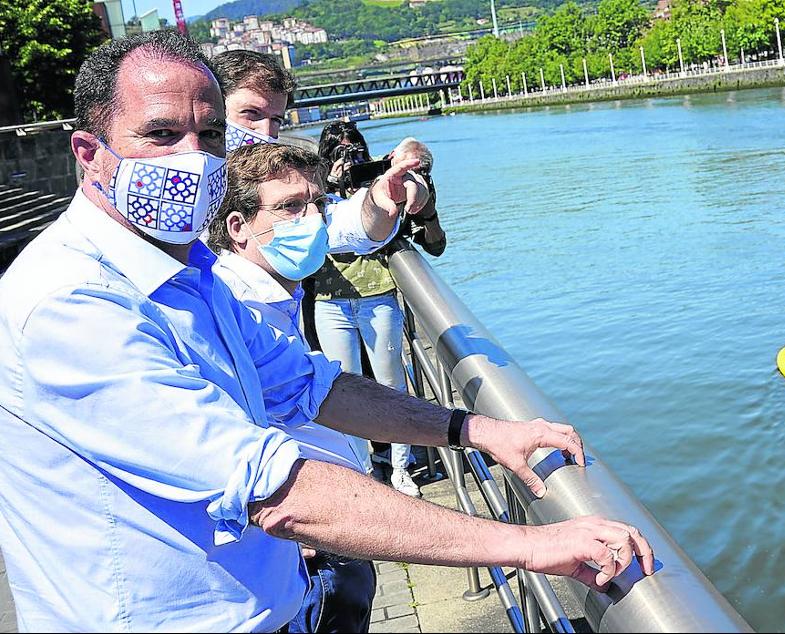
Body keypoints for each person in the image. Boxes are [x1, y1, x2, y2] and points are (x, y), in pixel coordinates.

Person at [0, 31, 653, 632]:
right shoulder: (71, 302)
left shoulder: (190, 270)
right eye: (161, 134)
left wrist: (477, 430)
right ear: (90, 153)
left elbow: (310, 386)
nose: (192, 158)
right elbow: (272, 489)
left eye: (209, 134)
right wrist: (528, 545)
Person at [207, 143, 412, 632]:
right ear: (238, 227)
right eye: (291, 207)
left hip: (324, 536)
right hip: (306, 550)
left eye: (317, 203)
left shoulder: (275, 295)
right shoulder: (235, 311)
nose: (313, 219)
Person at [207, 50, 446, 257]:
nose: (266, 132)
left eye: (276, 120)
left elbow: (344, 223)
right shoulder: (188, 186)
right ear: (210, 108)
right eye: (251, 113)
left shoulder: (279, 180)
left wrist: (381, 198)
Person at [311, 122, 438, 497]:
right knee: (341, 389)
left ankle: (401, 468)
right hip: (329, 300)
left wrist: (406, 180)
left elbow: (428, 225)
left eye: (354, 150)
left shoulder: (381, 181)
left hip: (378, 295)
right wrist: (329, 184)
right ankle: (363, 470)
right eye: (339, 152)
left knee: (391, 385)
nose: (348, 159)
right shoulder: (312, 187)